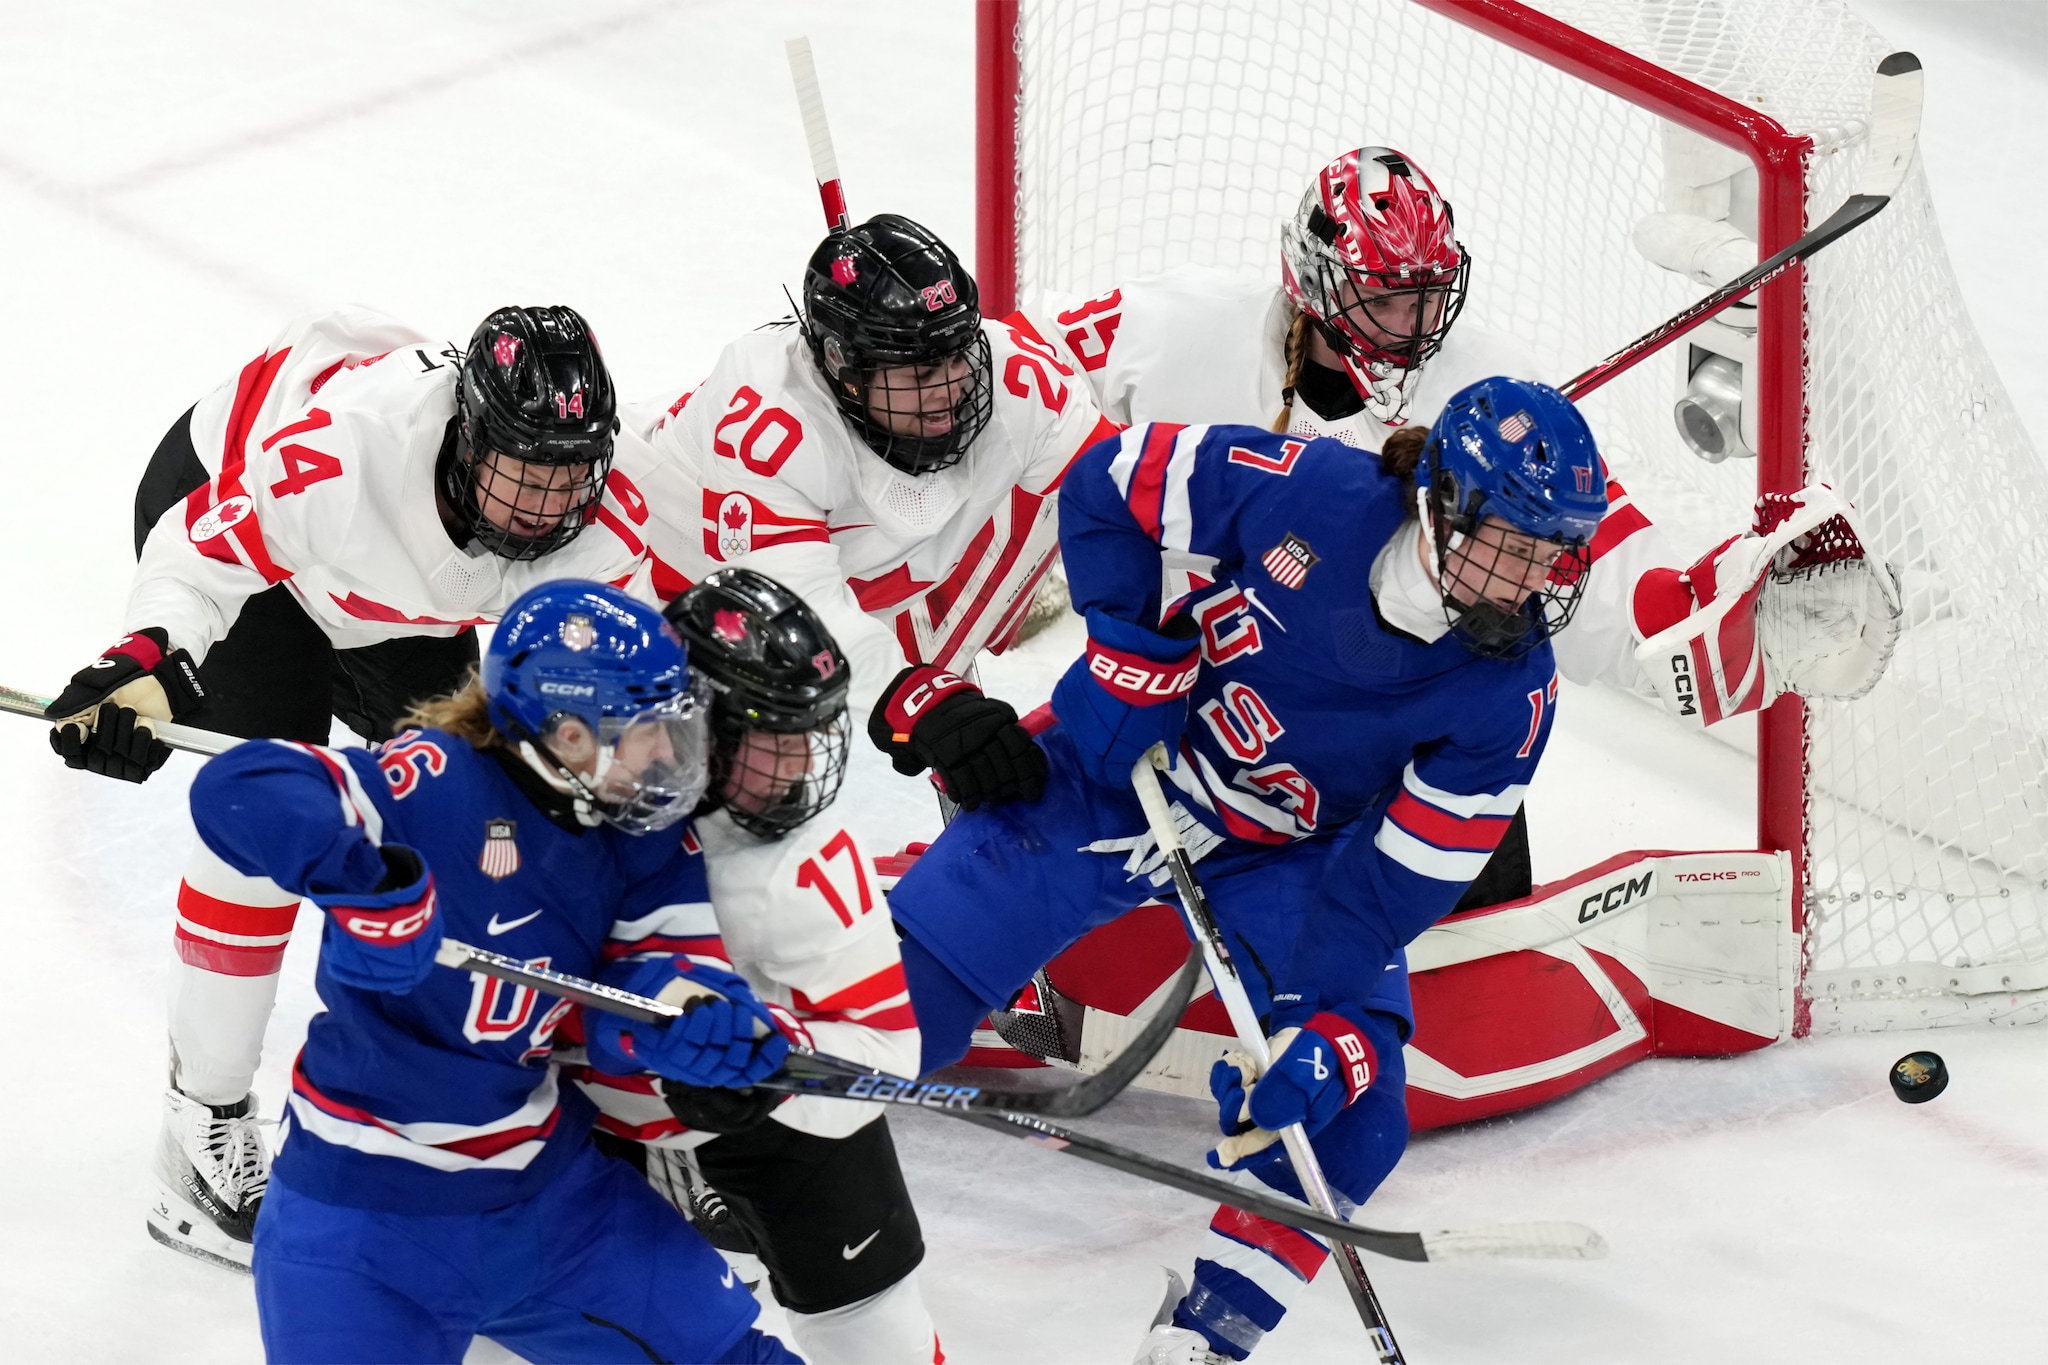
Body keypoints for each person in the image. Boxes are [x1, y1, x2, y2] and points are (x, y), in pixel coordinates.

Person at [884, 378, 1609, 1364]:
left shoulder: (1511, 695)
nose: (1529, 581)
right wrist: (1132, 654)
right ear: (1442, 503)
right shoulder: (1306, 490)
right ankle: (724, 1162)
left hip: (1287, 852)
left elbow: (1397, 882)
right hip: (1114, 780)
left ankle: (1203, 1341)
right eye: (1511, 544)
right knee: (890, 1015)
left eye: (1551, 553)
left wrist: (1318, 1020)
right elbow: (1106, 482)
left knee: (1351, 1115)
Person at [40, 303, 656, 1269]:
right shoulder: (349, 454)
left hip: (390, 597)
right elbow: (200, 556)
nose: (546, 506)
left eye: (567, 476)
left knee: (486, 815)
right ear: (467, 439)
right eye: (523, 473)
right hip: (235, 525)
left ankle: (537, 1075)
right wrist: (147, 661)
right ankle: (200, 1122)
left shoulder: (604, 512)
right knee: (266, 818)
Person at [181, 579, 798, 1363]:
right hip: (361, 1228)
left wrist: (697, 1021)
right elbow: (238, 788)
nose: (670, 754)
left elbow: (658, 971)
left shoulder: (638, 833)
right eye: (648, 730)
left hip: (554, 1206)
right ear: (568, 734)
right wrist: (365, 884)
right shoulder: (434, 781)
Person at [564, 567, 942, 1364]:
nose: (801, 763)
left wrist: (766, 1063)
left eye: (812, 731)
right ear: (688, 725)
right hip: (595, 1106)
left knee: (882, 1338)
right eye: (775, 734)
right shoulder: (571, 782)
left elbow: (884, 1051)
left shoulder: (808, 859)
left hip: (770, 1117)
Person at [632, 211, 1118, 812]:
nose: (951, 389)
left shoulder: (1012, 379)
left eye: (957, 356)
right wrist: (921, 704)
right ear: (844, 365)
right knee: (685, 788)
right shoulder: (772, 427)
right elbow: (796, 617)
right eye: (921, 370)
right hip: (669, 572)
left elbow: (1128, 497)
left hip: (850, 572)